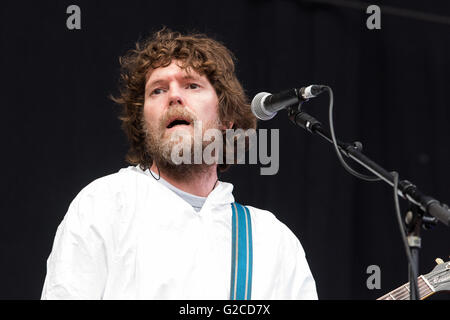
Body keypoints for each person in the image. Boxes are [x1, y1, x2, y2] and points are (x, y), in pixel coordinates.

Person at [41, 28, 318, 300]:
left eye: (192, 85)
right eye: (158, 90)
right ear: (143, 124)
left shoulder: (272, 240)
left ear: (226, 120)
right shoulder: (104, 205)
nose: (174, 96)